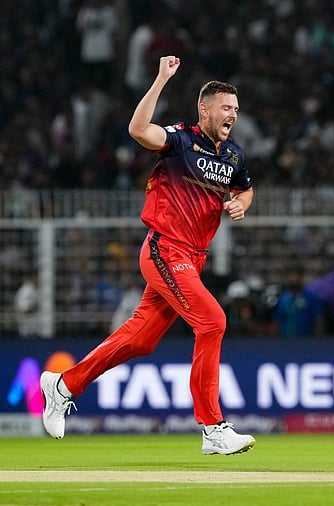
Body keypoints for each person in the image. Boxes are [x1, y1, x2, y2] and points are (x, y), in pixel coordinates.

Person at [40, 56, 256, 455]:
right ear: (204, 109)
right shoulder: (180, 139)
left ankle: (63, 384)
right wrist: (160, 80)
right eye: (226, 108)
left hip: (193, 257)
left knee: (140, 341)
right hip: (164, 249)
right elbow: (138, 129)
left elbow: (245, 187)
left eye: (236, 110)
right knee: (212, 321)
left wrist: (241, 203)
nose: (233, 115)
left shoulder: (233, 156)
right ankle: (213, 428)